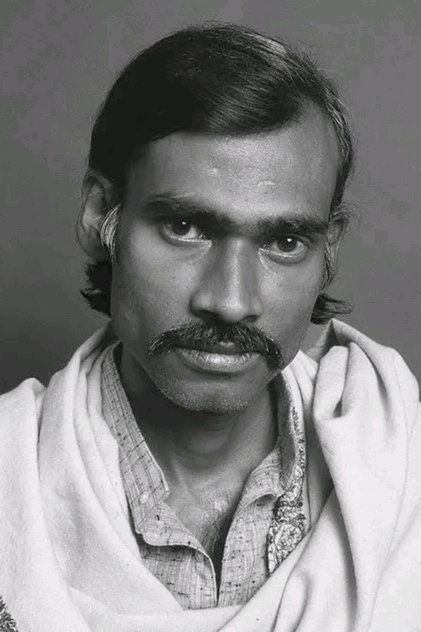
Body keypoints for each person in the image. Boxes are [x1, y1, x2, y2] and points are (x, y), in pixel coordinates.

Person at [0, 22, 420, 632]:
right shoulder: (9, 474)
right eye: (185, 227)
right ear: (99, 216)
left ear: (329, 248)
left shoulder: (403, 466)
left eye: (284, 241)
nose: (231, 301)